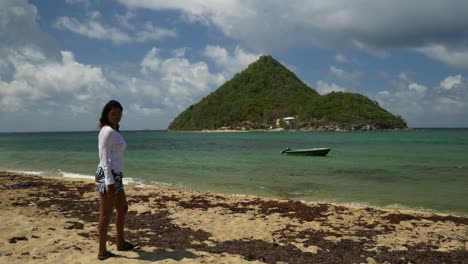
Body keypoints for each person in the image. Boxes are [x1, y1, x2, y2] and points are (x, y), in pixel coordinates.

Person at [95, 100, 136, 260]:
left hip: (115, 176)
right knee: (105, 214)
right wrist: (109, 181)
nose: (117, 116)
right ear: (106, 114)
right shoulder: (107, 131)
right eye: (113, 113)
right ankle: (102, 251)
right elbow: (103, 157)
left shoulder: (113, 130)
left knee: (123, 208)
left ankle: (120, 242)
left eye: (119, 114)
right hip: (108, 176)